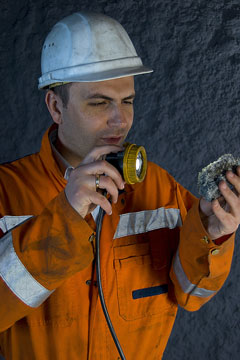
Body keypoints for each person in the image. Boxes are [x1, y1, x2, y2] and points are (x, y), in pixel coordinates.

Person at [0, 11, 239, 360]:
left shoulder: (158, 187)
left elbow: (192, 294)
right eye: (99, 102)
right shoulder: (7, 192)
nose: (120, 120)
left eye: (127, 101)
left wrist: (211, 233)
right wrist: (66, 213)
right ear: (56, 106)